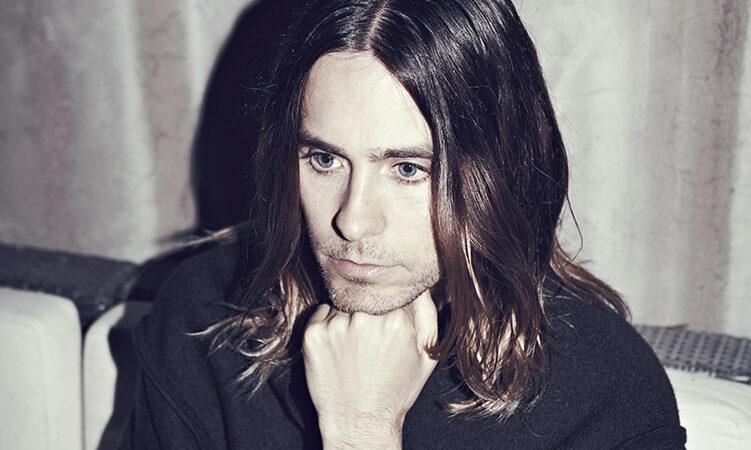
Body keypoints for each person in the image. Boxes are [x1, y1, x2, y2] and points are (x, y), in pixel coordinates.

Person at [120, 0, 686, 448]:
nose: (352, 220)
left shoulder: (604, 391)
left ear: (496, 172)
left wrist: (361, 432)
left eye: (409, 169)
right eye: (324, 159)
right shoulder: (204, 315)